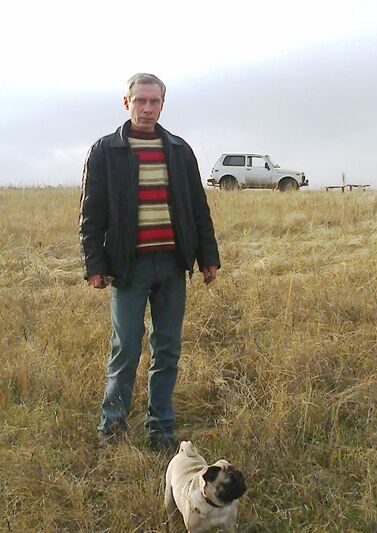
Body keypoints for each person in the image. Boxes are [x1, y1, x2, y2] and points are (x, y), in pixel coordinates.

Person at [79, 73, 220, 450]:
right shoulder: (106, 150)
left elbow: (198, 207)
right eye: (140, 101)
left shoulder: (179, 150)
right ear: (126, 103)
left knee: (168, 348)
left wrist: (208, 256)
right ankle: (112, 427)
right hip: (128, 266)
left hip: (172, 265)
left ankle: (161, 428)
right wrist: (94, 264)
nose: (146, 108)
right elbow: (91, 213)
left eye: (153, 101)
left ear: (162, 104)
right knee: (126, 347)